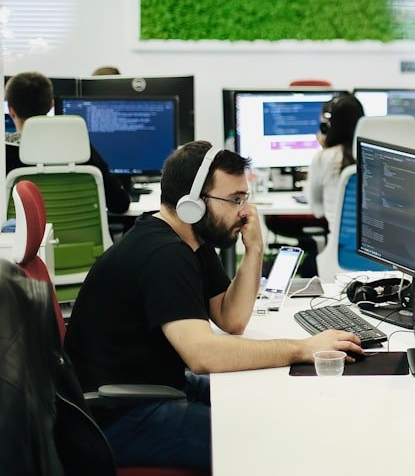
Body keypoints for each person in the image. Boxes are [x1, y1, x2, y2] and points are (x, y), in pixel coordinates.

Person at [64, 141, 364, 471]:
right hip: (118, 416)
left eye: (245, 199)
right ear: (193, 203)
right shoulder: (163, 254)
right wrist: (301, 348)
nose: (245, 212)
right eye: (235, 200)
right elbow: (202, 355)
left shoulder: (191, 239)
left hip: (154, 387)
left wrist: (254, 250)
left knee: (267, 400)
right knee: (266, 440)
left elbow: (231, 319)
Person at [4, 71, 130, 214]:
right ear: (51, 105)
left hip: (24, 236)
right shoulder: (78, 147)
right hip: (82, 236)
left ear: (10, 110)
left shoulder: (4, 152)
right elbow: (120, 204)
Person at [306, 93, 365, 233]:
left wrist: (325, 149)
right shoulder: (371, 157)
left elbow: (317, 209)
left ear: (329, 128)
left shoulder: (323, 158)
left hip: (338, 247)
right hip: (370, 245)